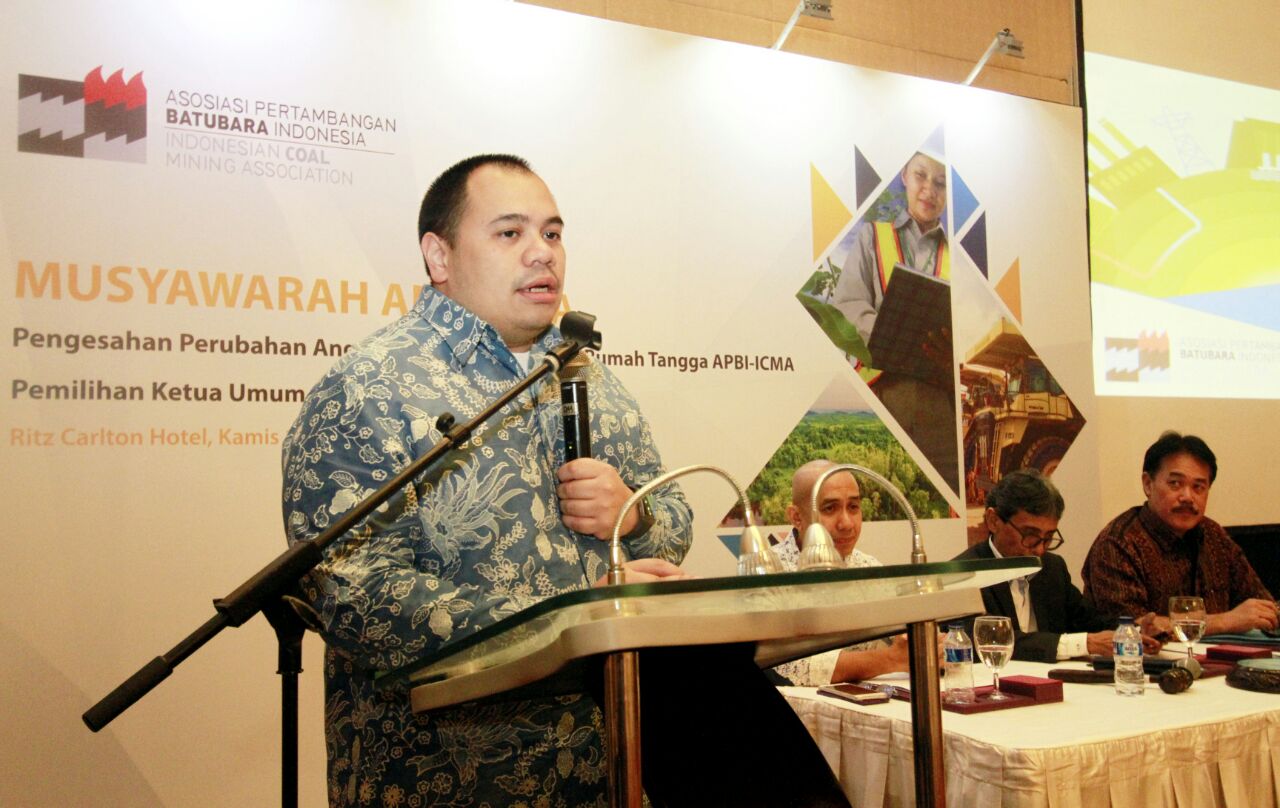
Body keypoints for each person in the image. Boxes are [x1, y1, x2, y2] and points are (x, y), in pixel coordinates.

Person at [282, 154, 849, 808]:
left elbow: (672, 522)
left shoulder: (588, 376)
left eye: (552, 233)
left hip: (612, 768)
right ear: (439, 256)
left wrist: (634, 517)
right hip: (449, 779)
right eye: (510, 232)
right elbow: (351, 591)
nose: (542, 252)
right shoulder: (369, 387)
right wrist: (574, 616)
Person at [829, 151, 958, 492]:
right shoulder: (872, 236)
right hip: (882, 393)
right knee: (880, 492)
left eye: (941, 182)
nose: (929, 189)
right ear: (904, 175)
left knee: (942, 494)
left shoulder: (959, 256)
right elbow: (846, 305)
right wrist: (889, 336)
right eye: (921, 176)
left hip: (939, 403)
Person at [952, 469, 1161, 662]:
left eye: (1048, 537)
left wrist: (1132, 630)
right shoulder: (963, 575)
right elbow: (986, 640)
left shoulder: (1052, 568)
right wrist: (1084, 644)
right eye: (1030, 535)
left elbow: (1087, 620)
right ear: (994, 521)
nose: (1039, 549)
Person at [1083, 432, 1277, 635]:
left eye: (1198, 487)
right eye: (1175, 484)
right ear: (1148, 484)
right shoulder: (1117, 544)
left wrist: (1265, 614)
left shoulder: (1213, 535)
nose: (1187, 497)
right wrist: (1224, 621)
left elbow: (1263, 607)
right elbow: (1134, 629)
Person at [772, 460, 940, 684]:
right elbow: (788, 664)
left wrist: (926, 644)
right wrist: (891, 659)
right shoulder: (768, 573)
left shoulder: (868, 567)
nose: (847, 524)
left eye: (853, 507)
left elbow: (904, 637)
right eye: (829, 508)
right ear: (796, 517)